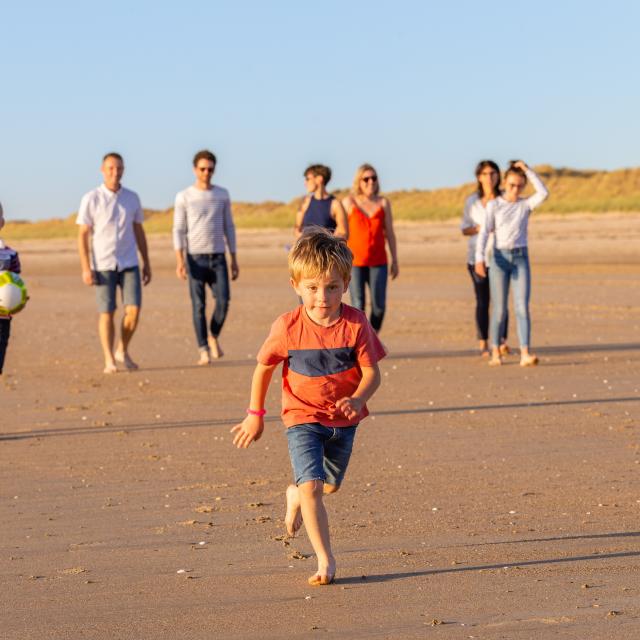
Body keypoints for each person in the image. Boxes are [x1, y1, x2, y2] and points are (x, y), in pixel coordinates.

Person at [230, 228, 385, 586]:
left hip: (344, 421)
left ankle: (294, 494)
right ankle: (324, 560)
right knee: (314, 488)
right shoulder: (287, 327)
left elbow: (372, 373)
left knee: (328, 487)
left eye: (332, 287)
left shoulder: (356, 323)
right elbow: (264, 367)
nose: (322, 297)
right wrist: (255, 415)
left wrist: (359, 398)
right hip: (301, 418)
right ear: (296, 285)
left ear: (345, 283)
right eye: (312, 288)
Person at [77, 153, 151, 374]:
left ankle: (122, 349)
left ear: (123, 170)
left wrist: (146, 261)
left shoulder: (132, 198)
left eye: (118, 168)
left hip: (129, 262)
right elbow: (83, 234)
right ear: (102, 169)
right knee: (107, 312)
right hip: (103, 263)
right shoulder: (91, 198)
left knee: (134, 310)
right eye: (110, 168)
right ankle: (109, 358)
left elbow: (139, 230)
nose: (114, 172)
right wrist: (85, 267)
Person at [475, 160, 549, 367]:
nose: (515, 190)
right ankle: (495, 351)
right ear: (504, 183)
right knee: (499, 309)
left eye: (520, 186)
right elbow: (484, 234)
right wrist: (480, 259)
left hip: (520, 258)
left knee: (522, 307)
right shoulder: (494, 205)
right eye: (511, 185)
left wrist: (527, 170)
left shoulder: (525, 205)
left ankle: (525, 352)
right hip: (499, 259)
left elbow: (543, 193)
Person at [173, 150, 239, 365]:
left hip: (218, 257)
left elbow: (229, 226)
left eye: (210, 169)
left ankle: (213, 335)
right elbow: (179, 229)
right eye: (202, 169)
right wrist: (180, 260)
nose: (206, 173)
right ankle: (203, 348)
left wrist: (234, 258)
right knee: (198, 306)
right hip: (195, 258)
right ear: (195, 170)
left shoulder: (222, 194)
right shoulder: (184, 196)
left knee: (223, 301)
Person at [461, 160, 509, 357]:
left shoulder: (506, 198)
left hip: (501, 256)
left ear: (498, 176)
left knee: (501, 301)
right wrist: (482, 228)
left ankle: (502, 340)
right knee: (483, 301)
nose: (490, 177)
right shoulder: (472, 201)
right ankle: (484, 342)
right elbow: (465, 229)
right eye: (485, 174)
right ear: (479, 177)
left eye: (493, 173)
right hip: (476, 258)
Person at [342, 164, 398, 332]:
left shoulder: (383, 203)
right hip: (355, 262)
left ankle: (371, 339)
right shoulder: (348, 202)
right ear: (358, 181)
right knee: (358, 305)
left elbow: (390, 233)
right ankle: (361, 345)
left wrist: (395, 260)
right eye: (366, 179)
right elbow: (341, 231)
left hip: (379, 261)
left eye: (373, 178)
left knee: (379, 306)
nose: (370, 182)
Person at [294, 164, 348, 239]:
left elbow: (344, 233)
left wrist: (328, 241)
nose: (305, 183)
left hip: (325, 249)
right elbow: (297, 227)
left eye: (308, 179)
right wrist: (304, 239)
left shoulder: (335, 204)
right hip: (306, 249)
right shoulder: (305, 202)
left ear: (319, 179)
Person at [0, 203, 22, 375]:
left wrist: (19, 299)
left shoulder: (10, 254)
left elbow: (17, 284)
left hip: (2, 319)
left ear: (2, 222)